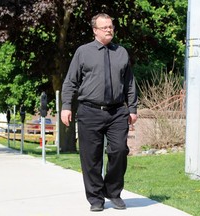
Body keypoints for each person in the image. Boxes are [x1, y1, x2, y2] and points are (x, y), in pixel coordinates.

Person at [61, 13, 138, 212]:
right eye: (104, 27)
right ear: (95, 30)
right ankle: (96, 198)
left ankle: (113, 191)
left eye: (111, 26)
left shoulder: (121, 52)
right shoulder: (83, 52)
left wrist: (133, 108)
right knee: (91, 158)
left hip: (117, 112)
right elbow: (70, 81)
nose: (109, 30)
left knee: (119, 150)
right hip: (89, 111)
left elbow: (129, 83)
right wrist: (66, 106)